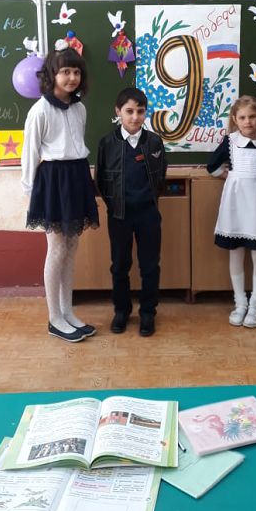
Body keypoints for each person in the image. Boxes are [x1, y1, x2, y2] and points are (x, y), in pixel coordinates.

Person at [21, 42, 99, 343]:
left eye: (76, 72)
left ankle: (68, 312)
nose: (72, 77)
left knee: (72, 247)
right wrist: (31, 191)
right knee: (56, 249)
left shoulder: (80, 108)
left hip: (77, 175)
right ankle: (54, 318)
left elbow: (76, 144)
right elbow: (30, 154)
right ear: (52, 75)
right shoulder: (40, 110)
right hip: (53, 181)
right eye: (65, 71)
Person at [95, 87, 167, 337]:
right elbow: (101, 180)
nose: (135, 117)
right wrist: (114, 205)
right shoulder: (107, 143)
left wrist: (149, 201)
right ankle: (122, 310)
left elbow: (161, 177)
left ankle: (148, 312)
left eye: (140, 111)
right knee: (119, 265)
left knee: (150, 266)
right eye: (129, 111)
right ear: (118, 112)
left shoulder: (154, 142)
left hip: (148, 214)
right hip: (119, 215)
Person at [207, 95, 256, 329]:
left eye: (252, 116)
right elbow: (212, 166)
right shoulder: (230, 141)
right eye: (243, 117)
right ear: (235, 119)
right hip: (235, 202)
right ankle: (240, 303)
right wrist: (229, 175)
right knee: (235, 253)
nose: (248, 122)